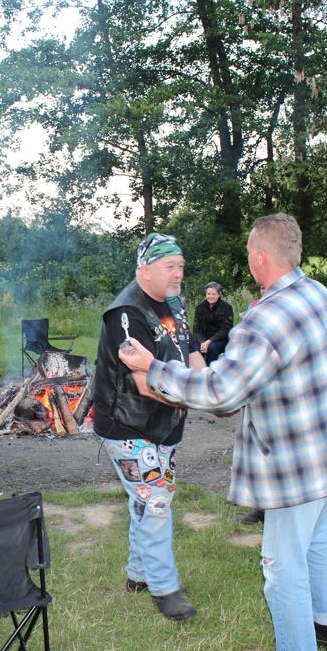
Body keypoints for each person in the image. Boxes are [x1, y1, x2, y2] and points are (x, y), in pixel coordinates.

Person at [120, 215, 327, 651]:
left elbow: (221, 392)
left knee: (282, 566)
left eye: (249, 251)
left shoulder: (265, 317)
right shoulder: (318, 292)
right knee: (317, 533)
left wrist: (152, 368)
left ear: (261, 257)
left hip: (297, 462)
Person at [93, 232, 205, 621]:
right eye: (170, 266)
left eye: (181, 266)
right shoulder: (126, 314)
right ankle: (164, 588)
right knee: (156, 500)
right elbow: (144, 384)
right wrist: (201, 398)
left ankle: (139, 574)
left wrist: (208, 384)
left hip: (165, 422)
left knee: (148, 497)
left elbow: (192, 352)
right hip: (128, 424)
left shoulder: (175, 304)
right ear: (145, 269)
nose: (178, 273)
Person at [192, 282, 233, 365]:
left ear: (219, 294)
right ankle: (199, 370)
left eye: (213, 294)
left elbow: (225, 330)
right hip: (203, 340)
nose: (211, 296)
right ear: (205, 295)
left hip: (220, 340)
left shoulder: (227, 307)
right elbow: (196, 329)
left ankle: (211, 370)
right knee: (195, 348)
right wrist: (203, 343)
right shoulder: (199, 308)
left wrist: (209, 342)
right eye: (209, 294)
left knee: (211, 348)